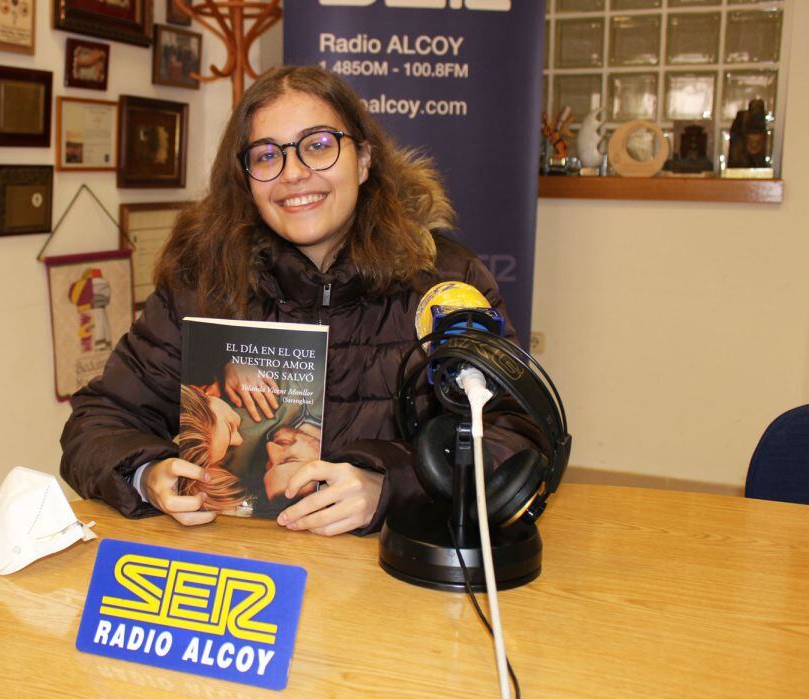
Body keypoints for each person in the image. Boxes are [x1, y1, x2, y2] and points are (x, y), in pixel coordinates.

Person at [60, 65, 541, 535]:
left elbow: (519, 435)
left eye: (318, 145)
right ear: (246, 179)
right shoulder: (201, 283)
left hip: (387, 570)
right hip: (246, 565)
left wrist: (392, 486)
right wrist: (147, 474)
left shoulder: (446, 281)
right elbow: (96, 423)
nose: (292, 173)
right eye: (267, 155)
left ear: (364, 160)